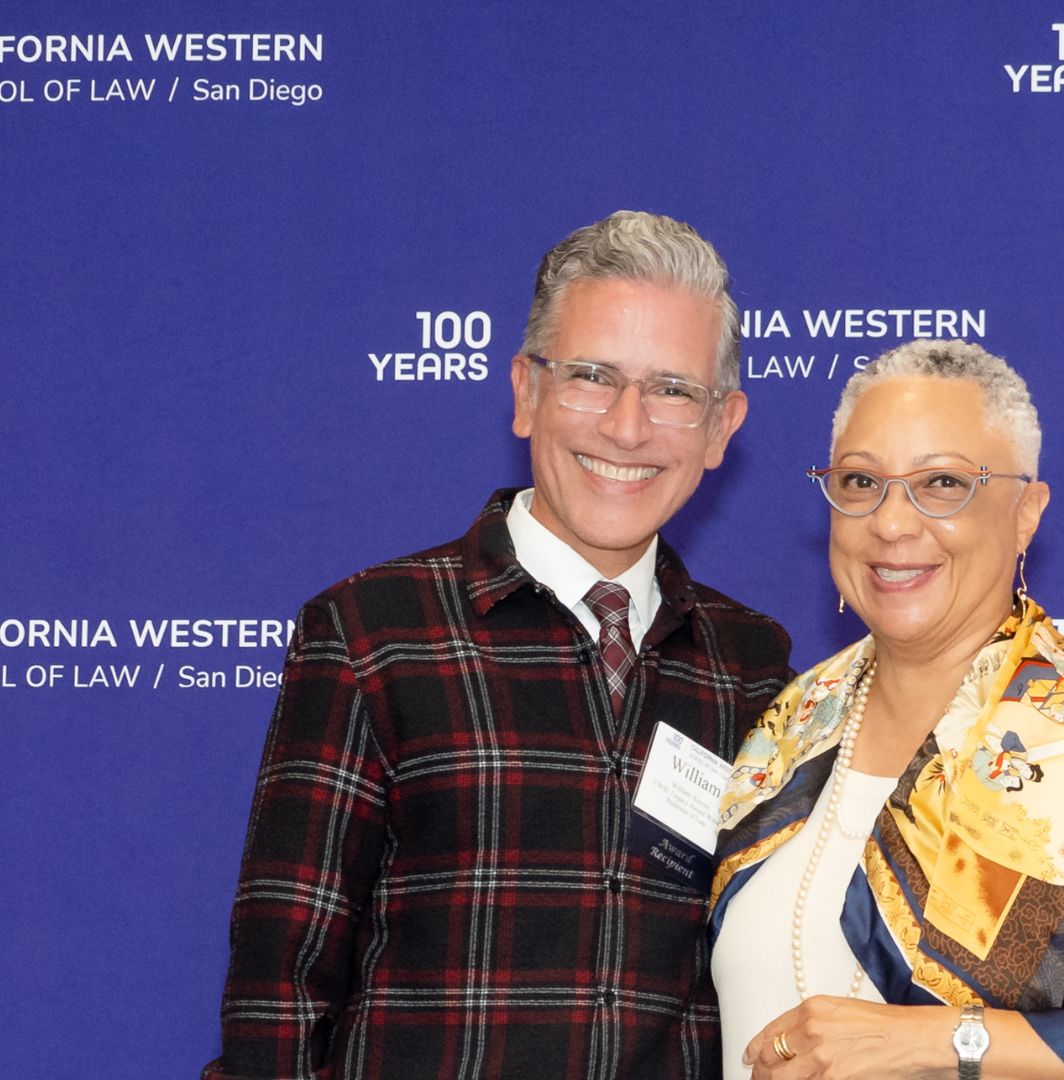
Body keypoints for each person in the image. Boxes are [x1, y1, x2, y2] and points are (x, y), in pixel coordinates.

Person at [204, 211, 795, 1080]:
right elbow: (280, 990)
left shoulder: (752, 664)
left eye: (673, 390)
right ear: (525, 392)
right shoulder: (373, 636)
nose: (628, 427)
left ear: (721, 426)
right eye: (593, 376)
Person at [709, 341, 1064, 1080]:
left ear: (1025, 512)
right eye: (861, 481)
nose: (891, 523)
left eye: (942, 483)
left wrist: (947, 1042)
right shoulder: (789, 724)